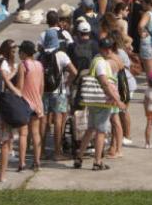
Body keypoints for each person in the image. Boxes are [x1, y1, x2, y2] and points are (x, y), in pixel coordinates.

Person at [74, 37, 126, 171]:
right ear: (101, 48)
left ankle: (79, 157)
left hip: (93, 100)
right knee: (101, 132)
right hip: (102, 102)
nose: (108, 50)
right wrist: (117, 100)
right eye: (106, 48)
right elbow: (104, 83)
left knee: (90, 129)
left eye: (110, 48)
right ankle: (97, 161)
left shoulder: (96, 59)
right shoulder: (101, 63)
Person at [39, 29, 73, 161]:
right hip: (59, 92)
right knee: (58, 121)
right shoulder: (61, 55)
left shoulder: (39, 55)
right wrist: (67, 82)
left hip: (44, 92)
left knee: (43, 121)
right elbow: (74, 71)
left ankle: (40, 151)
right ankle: (57, 152)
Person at [15, 41, 44, 171]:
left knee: (23, 134)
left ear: (24, 53)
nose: (18, 53)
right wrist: (38, 98)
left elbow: (20, 87)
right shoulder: (39, 65)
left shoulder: (23, 65)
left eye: (20, 51)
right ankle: (37, 161)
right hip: (37, 102)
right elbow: (42, 86)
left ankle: (22, 163)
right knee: (36, 133)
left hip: (25, 102)